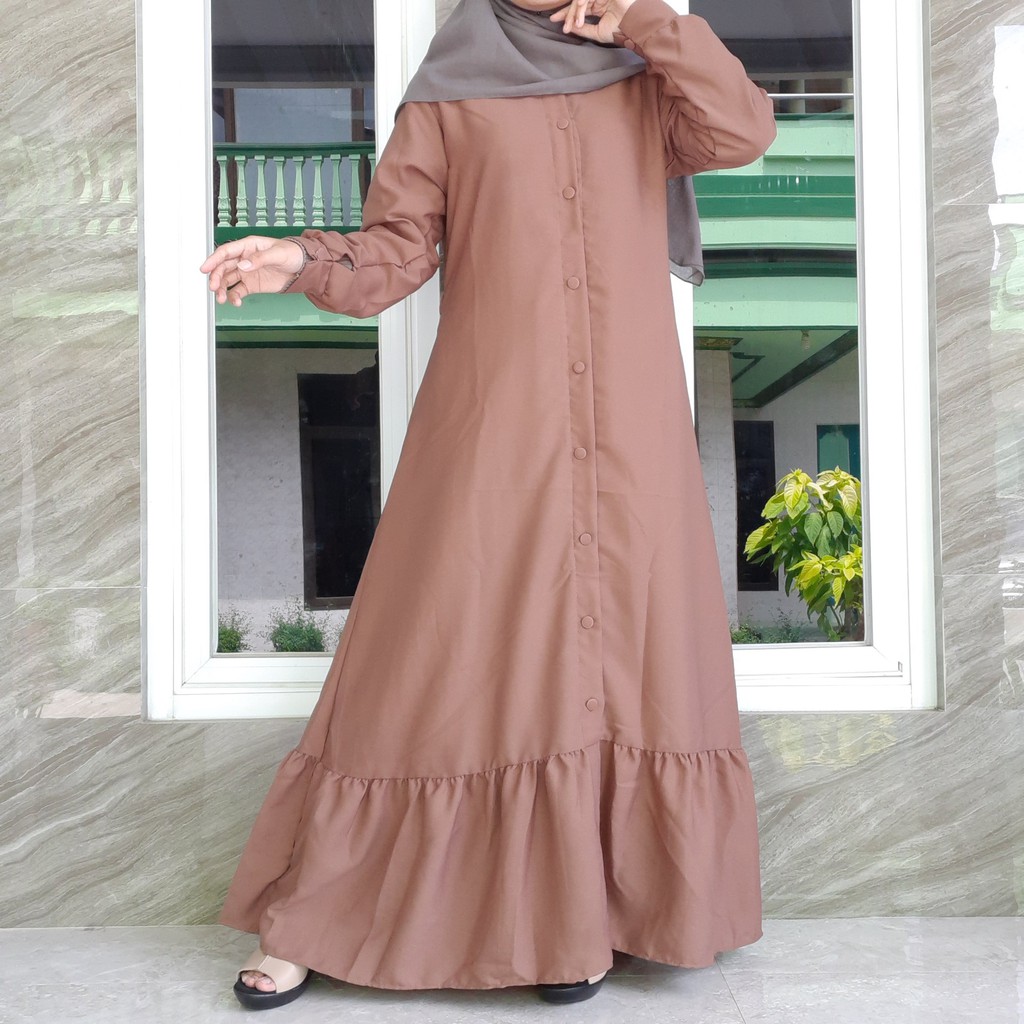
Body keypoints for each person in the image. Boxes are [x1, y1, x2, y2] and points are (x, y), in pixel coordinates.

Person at [199, 0, 776, 1010]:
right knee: (432, 651)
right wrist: (300, 260)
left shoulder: (646, 77)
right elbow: (398, 250)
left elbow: (741, 128)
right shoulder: (451, 91)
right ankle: (317, 915)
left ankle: (580, 923)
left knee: (622, 654)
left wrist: (648, 23)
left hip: (632, 429)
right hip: (496, 418)